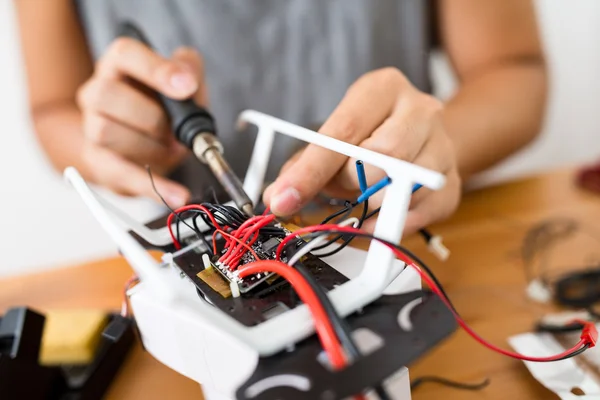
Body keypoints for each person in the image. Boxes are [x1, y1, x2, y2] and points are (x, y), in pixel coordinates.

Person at [15, 0, 547, 234]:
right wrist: (103, 144)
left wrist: (438, 148)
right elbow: (51, 109)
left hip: (396, 242)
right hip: (202, 267)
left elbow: (515, 71)